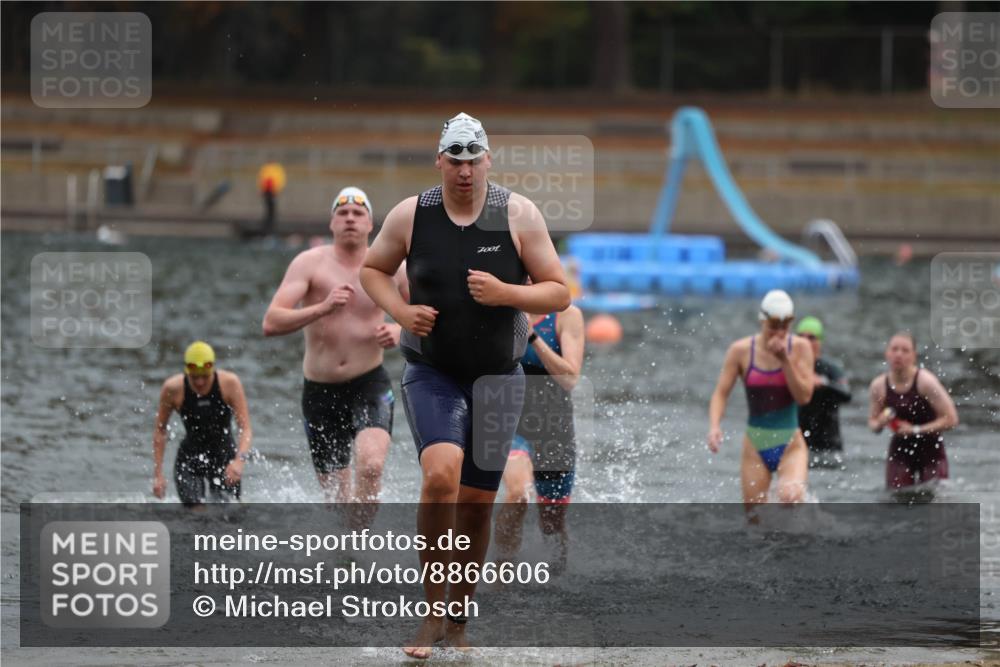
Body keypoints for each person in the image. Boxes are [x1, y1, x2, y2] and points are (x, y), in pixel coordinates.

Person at [360, 112, 570, 658]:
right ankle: (431, 613)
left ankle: (458, 617)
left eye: (474, 160)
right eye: (455, 161)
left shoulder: (518, 214)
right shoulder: (412, 215)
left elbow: (558, 293)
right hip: (434, 371)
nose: (465, 171)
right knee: (440, 476)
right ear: (440, 162)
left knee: (477, 503)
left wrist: (509, 295)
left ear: (488, 161)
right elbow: (372, 271)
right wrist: (401, 312)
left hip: (499, 376)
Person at [263, 186, 407, 513]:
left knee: (371, 466)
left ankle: (365, 549)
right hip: (319, 391)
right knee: (338, 503)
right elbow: (271, 322)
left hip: (368, 382)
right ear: (332, 224)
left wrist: (402, 330)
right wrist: (322, 308)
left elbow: (430, 316)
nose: (350, 219)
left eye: (358, 213)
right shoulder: (309, 264)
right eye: (342, 213)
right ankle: (348, 554)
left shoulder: (392, 267)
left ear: (371, 224)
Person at [494, 303, 585, 572]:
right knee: (518, 493)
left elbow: (570, 379)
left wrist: (531, 336)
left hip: (554, 427)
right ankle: (500, 577)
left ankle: (559, 578)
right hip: (508, 421)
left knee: (552, 525)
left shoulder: (567, 316)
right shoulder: (499, 310)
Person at [707, 290, 814, 514]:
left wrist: (785, 360)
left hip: (790, 443)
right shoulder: (741, 351)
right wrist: (715, 426)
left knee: (790, 498)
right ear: (762, 321)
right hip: (755, 445)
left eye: (785, 326)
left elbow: (804, 397)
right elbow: (721, 393)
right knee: (755, 520)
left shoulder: (801, 348)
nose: (779, 332)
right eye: (773, 326)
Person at [152, 341, 253, 507]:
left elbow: (246, 429)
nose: (199, 382)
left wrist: (239, 461)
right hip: (190, 459)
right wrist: (158, 475)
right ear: (186, 372)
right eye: (194, 377)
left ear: (212, 369)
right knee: (196, 516)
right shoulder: (173, 388)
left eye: (205, 376)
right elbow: (160, 431)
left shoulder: (229, 384)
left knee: (228, 515)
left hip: (224, 458)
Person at [867, 332, 958, 492]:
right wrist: (881, 421)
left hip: (931, 450)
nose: (898, 355)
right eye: (894, 349)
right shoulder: (879, 386)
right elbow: (872, 424)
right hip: (900, 451)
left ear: (914, 356)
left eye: (905, 350)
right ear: (887, 353)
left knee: (935, 500)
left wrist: (915, 430)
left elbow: (951, 419)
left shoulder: (925, 382)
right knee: (897, 499)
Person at [795, 316, 851, 466]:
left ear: (820, 342)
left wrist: (824, 383)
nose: (806, 341)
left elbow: (846, 394)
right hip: (798, 447)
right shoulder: (790, 369)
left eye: (811, 337)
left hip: (830, 448)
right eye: (801, 337)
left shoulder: (830, 369)